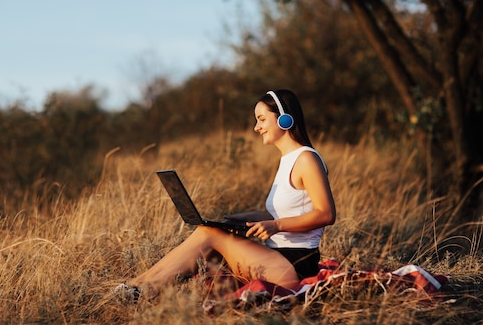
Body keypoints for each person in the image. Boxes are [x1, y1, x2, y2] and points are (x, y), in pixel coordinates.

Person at [115, 89, 336, 300]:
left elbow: (326, 214)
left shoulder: (307, 159)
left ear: (284, 120)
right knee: (209, 232)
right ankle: (140, 287)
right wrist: (246, 219)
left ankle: (139, 290)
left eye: (261, 119)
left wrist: (276, 226)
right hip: (276, 258)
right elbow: (286, 213)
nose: (256, 127)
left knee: (208, 234)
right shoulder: (287, 160)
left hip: (294, 265)